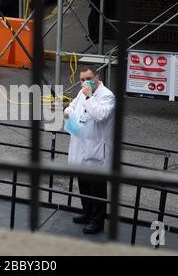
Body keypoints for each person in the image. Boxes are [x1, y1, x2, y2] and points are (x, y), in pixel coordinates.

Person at [63, 66, 115, 234]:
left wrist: (89, 96)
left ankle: (98, 221)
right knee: (84, 184)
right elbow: (73, 106)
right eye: (82, 79)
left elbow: (100, 114)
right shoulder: (82, 92)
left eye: (88, 79)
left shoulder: (107, 96)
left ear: (97, 78)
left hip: (96, 150)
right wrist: (67, 111)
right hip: (80, 146)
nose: (85, 83)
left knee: (97, 188)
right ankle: (86, 213)